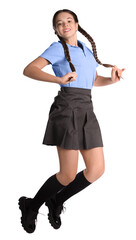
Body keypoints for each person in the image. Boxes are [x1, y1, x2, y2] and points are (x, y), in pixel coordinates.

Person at [18, 9, 125, 233]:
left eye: (68, 21)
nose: (65, 25)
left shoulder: (85, 50)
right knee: (67, 174)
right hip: (66, 108)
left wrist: (112, 80)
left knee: (96, 169)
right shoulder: (57, 48)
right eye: (59, 23)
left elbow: (93, 80)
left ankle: (56, 201)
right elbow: (29, 69)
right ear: (56, 30)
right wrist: (58, 78)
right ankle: (32, 205)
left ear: (77, 24)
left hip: (87, 108)